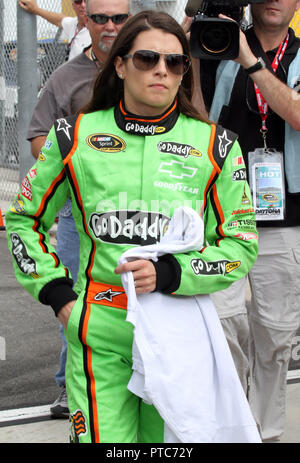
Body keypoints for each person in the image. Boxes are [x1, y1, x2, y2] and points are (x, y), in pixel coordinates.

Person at [6, 10, 258, 443]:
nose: (161, 70)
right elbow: (23, 220)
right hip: (99, 326)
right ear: (120, 65)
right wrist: (59, 296)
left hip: (178, 328)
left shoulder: (217, 145)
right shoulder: (73, 135)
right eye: (146, 59)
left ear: (184, 72)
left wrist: (171, 273)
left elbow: (240, 244)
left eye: (174, 62)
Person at [191, 0, 300, 442]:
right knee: (222, 325)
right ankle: (233, 427)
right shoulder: (216, 44)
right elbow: (198, 119)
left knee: (276, 335)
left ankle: (267, 430)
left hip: (286, 217)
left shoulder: (275, 54)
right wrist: (197, 19)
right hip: (222, 217)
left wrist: (250, 61)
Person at [25, 0, 131, 417]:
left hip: (145, 209)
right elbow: (37, 138)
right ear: (84, 18)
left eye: (119, 18)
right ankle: (74, 387)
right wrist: (79, 157)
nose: (110, 26)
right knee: (81, 302)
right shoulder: (67, 77)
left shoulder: (151, 65)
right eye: (100, 17)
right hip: (80, 215)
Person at [18, 0, 91, 61]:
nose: (83, 5)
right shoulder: (74, 24)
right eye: (78, 1)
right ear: (73, 5)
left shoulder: (96, 29)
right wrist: (35, 9)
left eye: (87, 1)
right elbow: (59, 19)